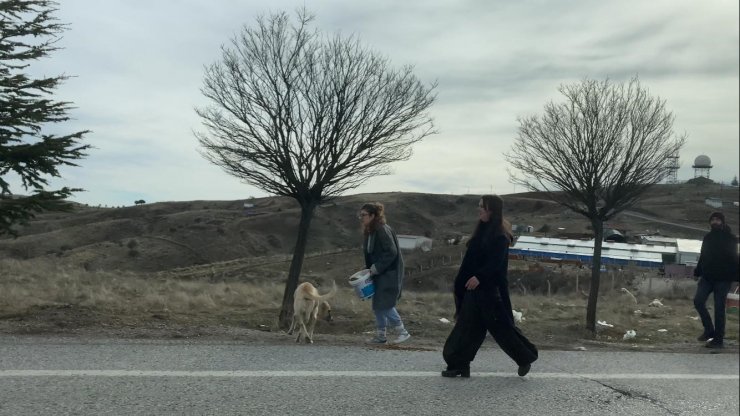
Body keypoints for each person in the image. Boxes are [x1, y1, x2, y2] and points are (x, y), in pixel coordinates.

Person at [442, 195, 538, 377]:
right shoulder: (481, 231)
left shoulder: (500, 236)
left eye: (483, 207)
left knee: (502, 328)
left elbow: (496, 263)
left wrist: (480, 276)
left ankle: (525, 357)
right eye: (479, 206)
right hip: (473, 290)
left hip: (491, 292)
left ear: (492, 210)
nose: (479, 210)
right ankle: (458, 365)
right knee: (467, 328)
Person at [359, 202, 410, 344]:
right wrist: (368, 268)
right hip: (380, 273)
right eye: (361, 215)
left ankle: (402, 331)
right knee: (378, 304)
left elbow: (391, 252)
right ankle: (381, 336)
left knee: (384, 304)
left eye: (364, 215)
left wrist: (376, 267)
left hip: (389, 273)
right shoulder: (372, 231)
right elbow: (373, 254)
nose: (361, 218)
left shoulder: (381, 230)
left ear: (373, 215)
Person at [693, 211, 739, 349]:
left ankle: (718, 340)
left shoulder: (730, 238)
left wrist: (737, 277)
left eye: (717, 220)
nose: (715, 222)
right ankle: (709, 330)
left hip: (723, 279)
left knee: (719, 309)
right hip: (707, 277)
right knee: (698, 301)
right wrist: (697, 271)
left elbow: (735, 259)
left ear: (722, 222)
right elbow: (703, 256)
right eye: (712, 220)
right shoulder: (707, 237)